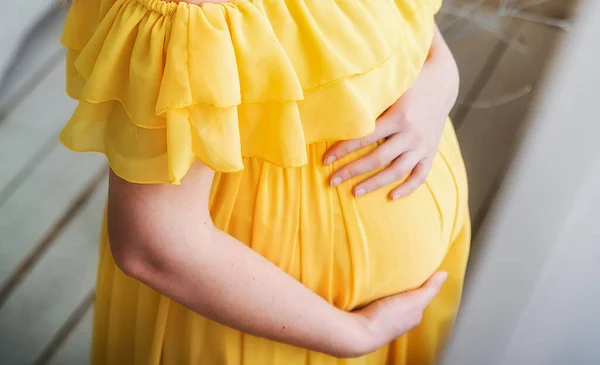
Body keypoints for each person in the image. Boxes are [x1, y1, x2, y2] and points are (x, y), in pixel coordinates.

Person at [60, 0, 470, 363]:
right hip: (277, 328)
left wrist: (441, 74)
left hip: (392, 301)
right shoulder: (189, 10)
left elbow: (392, 16)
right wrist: (355, 334)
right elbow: (154, 244)